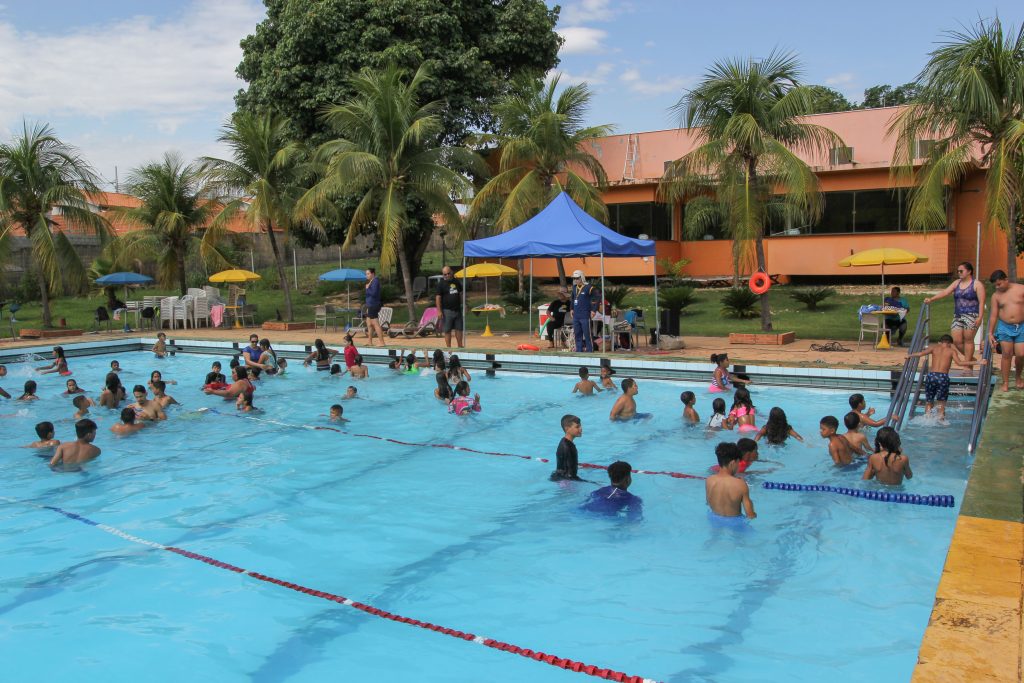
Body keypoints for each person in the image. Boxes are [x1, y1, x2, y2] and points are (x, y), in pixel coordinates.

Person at [907, 333, 984, 420]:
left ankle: (927, 420)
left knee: (929, 401)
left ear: (940, 342)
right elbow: (959, 363)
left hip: (931, 376)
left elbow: (921, 354)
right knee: (941, 403)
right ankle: (941, 421)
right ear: (950, 343)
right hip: (942, 377)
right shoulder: (951, 351)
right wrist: (978, 362)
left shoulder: (934, 348)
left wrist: (909, 355)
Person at [926, 261, 986, 364]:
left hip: (972, 315)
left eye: (961, 271)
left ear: (969, 271)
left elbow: (981, 302)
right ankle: (970, 359)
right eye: (958, 271)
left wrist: (980, 317)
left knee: (968, 340)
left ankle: (967, 364)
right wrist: (932, 299)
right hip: (958, 315)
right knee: (957, 341)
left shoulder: (977, 284)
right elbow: (946, 292)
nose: (959, 273)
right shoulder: (957, 283)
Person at [987, 269, 1024, 392]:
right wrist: (990, 333)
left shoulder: (1021, 289)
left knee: (1021, 354)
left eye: (999, 284)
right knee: (1006, 354)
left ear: (1006, 280)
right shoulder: (996, 296)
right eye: (995, 285)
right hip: (1004, 327)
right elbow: (993, 315)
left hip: (1021, 326)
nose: (997, 287)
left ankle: (1018, 377)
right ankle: (1006, 382)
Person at [705, 442, 756, 520]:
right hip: (735, 522)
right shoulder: (740, 484)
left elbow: (708, 502)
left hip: (714, 519)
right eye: (738, 462)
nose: (739, 465)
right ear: (733, 463)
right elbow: (750, 515)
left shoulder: (709, 480)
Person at [435, 265, 464, 348]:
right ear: (443, 275)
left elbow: (460, 294)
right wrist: (439, 311)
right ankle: (448, 348)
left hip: (457, 310)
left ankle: (460, 346)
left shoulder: (456, 282)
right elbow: (438, 298)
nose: (447, 275)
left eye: (448, 273)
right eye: (445, 274)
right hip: (447, 311)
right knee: (447, 330)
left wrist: (464, 304)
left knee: (459, 329)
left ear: (451, 272)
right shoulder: (441, 284)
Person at [569, 270, 597, 352]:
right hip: (576, 315)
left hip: (585, 314)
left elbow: (596, 299)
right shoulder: (574, 287)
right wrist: (571, 309)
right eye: (574, 278)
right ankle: (579, 350)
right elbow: (573, 299)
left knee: (587, 334)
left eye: (577, 278)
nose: (575, 280)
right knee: (577, 334)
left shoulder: (589, 287)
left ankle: (590, 351)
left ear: (582, 278)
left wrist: (593, 310)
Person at [551, 414, 584, 481]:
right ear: (567, 428)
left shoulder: (566, 443)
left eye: (580, 426)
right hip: (565, 481)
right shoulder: (567, 447)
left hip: (561, 478)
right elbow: (569, 474)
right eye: (577, 427)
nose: (581, 429)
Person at [363, 267, 386, 347]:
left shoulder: (375, 281)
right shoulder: (371, 281)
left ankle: (382, 342)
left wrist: (367, 288)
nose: (367, 275)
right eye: (366, 274)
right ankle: (369, 341)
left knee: (375, 323)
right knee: (369, 323)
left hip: (374, 305)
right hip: (370, 305)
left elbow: (374, 293)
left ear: (372, 274)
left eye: (368, 274)